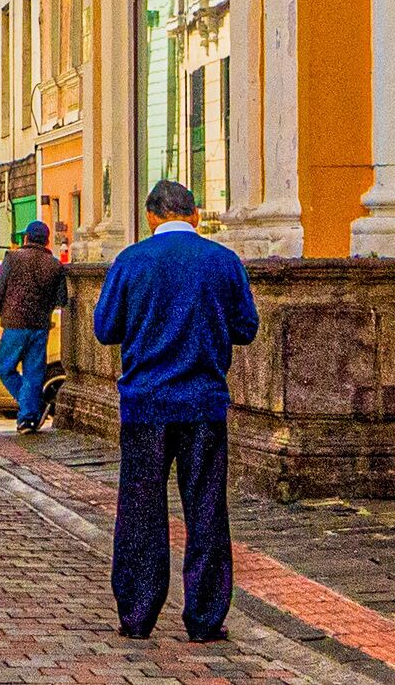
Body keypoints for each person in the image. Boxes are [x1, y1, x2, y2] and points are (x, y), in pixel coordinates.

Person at [89, 180, 258, 643]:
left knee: (141, 509)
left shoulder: (131, 261)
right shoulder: (223, 261)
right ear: (195, 215)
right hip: (204, 402)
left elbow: (105, 329)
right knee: (207, 508)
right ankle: (205, 617)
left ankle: (137, 613)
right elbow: (246, 327)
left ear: (151, 217)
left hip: (145, 404)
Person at [0, 219, 68, 432]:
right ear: (47, 241)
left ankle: (34, 408)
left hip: (14, 324)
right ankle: (28, 418)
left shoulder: (12, 258)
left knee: (5, 368)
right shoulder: (55, 265)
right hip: (40, 326)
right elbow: (62, 299)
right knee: (33, 373)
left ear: (26, 238)